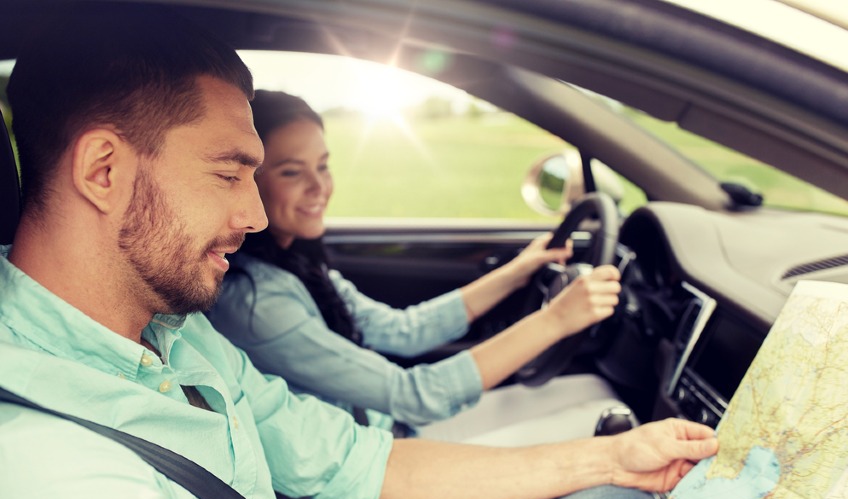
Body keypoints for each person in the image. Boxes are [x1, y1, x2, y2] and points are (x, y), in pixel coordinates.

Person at [0, 4, 718, 499]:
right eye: (228, 173)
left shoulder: (176, 337)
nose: (252, 215)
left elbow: (359, 462)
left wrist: (613, 458)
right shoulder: (40, 466)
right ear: (102, 171)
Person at [208, 89, 621, 435]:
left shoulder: (294, 261)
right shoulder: (257, 302)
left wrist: (516, 273)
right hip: (376, 454)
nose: (320, 186)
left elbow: (403, 330)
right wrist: (556, 321)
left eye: (323, 166)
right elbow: (414, 396)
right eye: (292, 173)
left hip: (382, 429)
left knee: (594, 393)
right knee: (604, 415)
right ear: (248, 181)